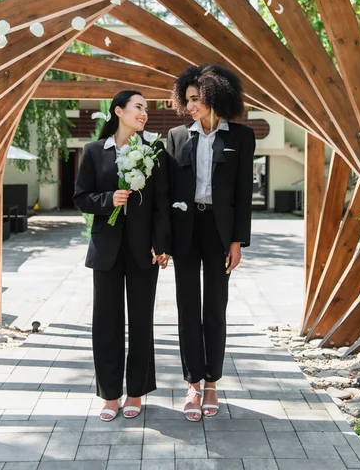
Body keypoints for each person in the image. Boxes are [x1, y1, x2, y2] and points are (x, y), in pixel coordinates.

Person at [73, 90, 171, 421]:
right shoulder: (93, 152)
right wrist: (108, 200)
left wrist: (162, 244)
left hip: (144, 251)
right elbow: (81, 197)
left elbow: (161, 204)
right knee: (106, 323)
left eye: (146, 108)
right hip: (106, 250)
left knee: (141, 321)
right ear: (119, 111)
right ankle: (110, 394)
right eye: (138, 107)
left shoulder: (154, 151)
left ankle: (136, 392)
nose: (144, 113)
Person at [167, 64, 255, 422]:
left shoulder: (241, 137)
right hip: (186, 231)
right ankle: (192, 383)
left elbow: (244, 193)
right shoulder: (175, 136)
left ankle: (213, 382)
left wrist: (237, 241)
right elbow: (168, 191)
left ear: (214, 95)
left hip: (220, 233)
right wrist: (164, 240)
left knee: (215, 308)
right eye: (186, 99)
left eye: (195, 99)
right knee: (187, 308)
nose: (190, 106)